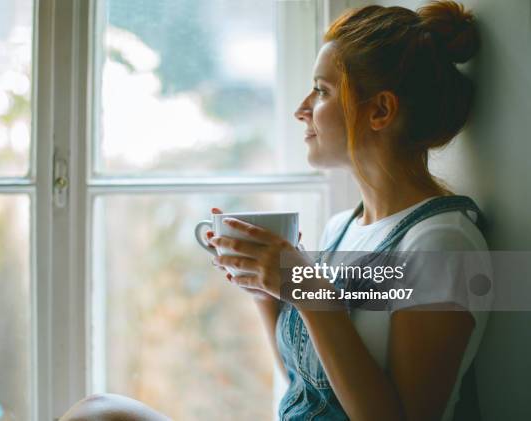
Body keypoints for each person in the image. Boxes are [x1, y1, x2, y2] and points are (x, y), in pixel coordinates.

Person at [61, 1, 491, 420]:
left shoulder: (441, 243)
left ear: (379, 110)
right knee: (99, 412)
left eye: (321, 90)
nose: (301, 108)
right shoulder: (344, 228)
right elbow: (309, 387)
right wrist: (267, 294)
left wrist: (308, 291)